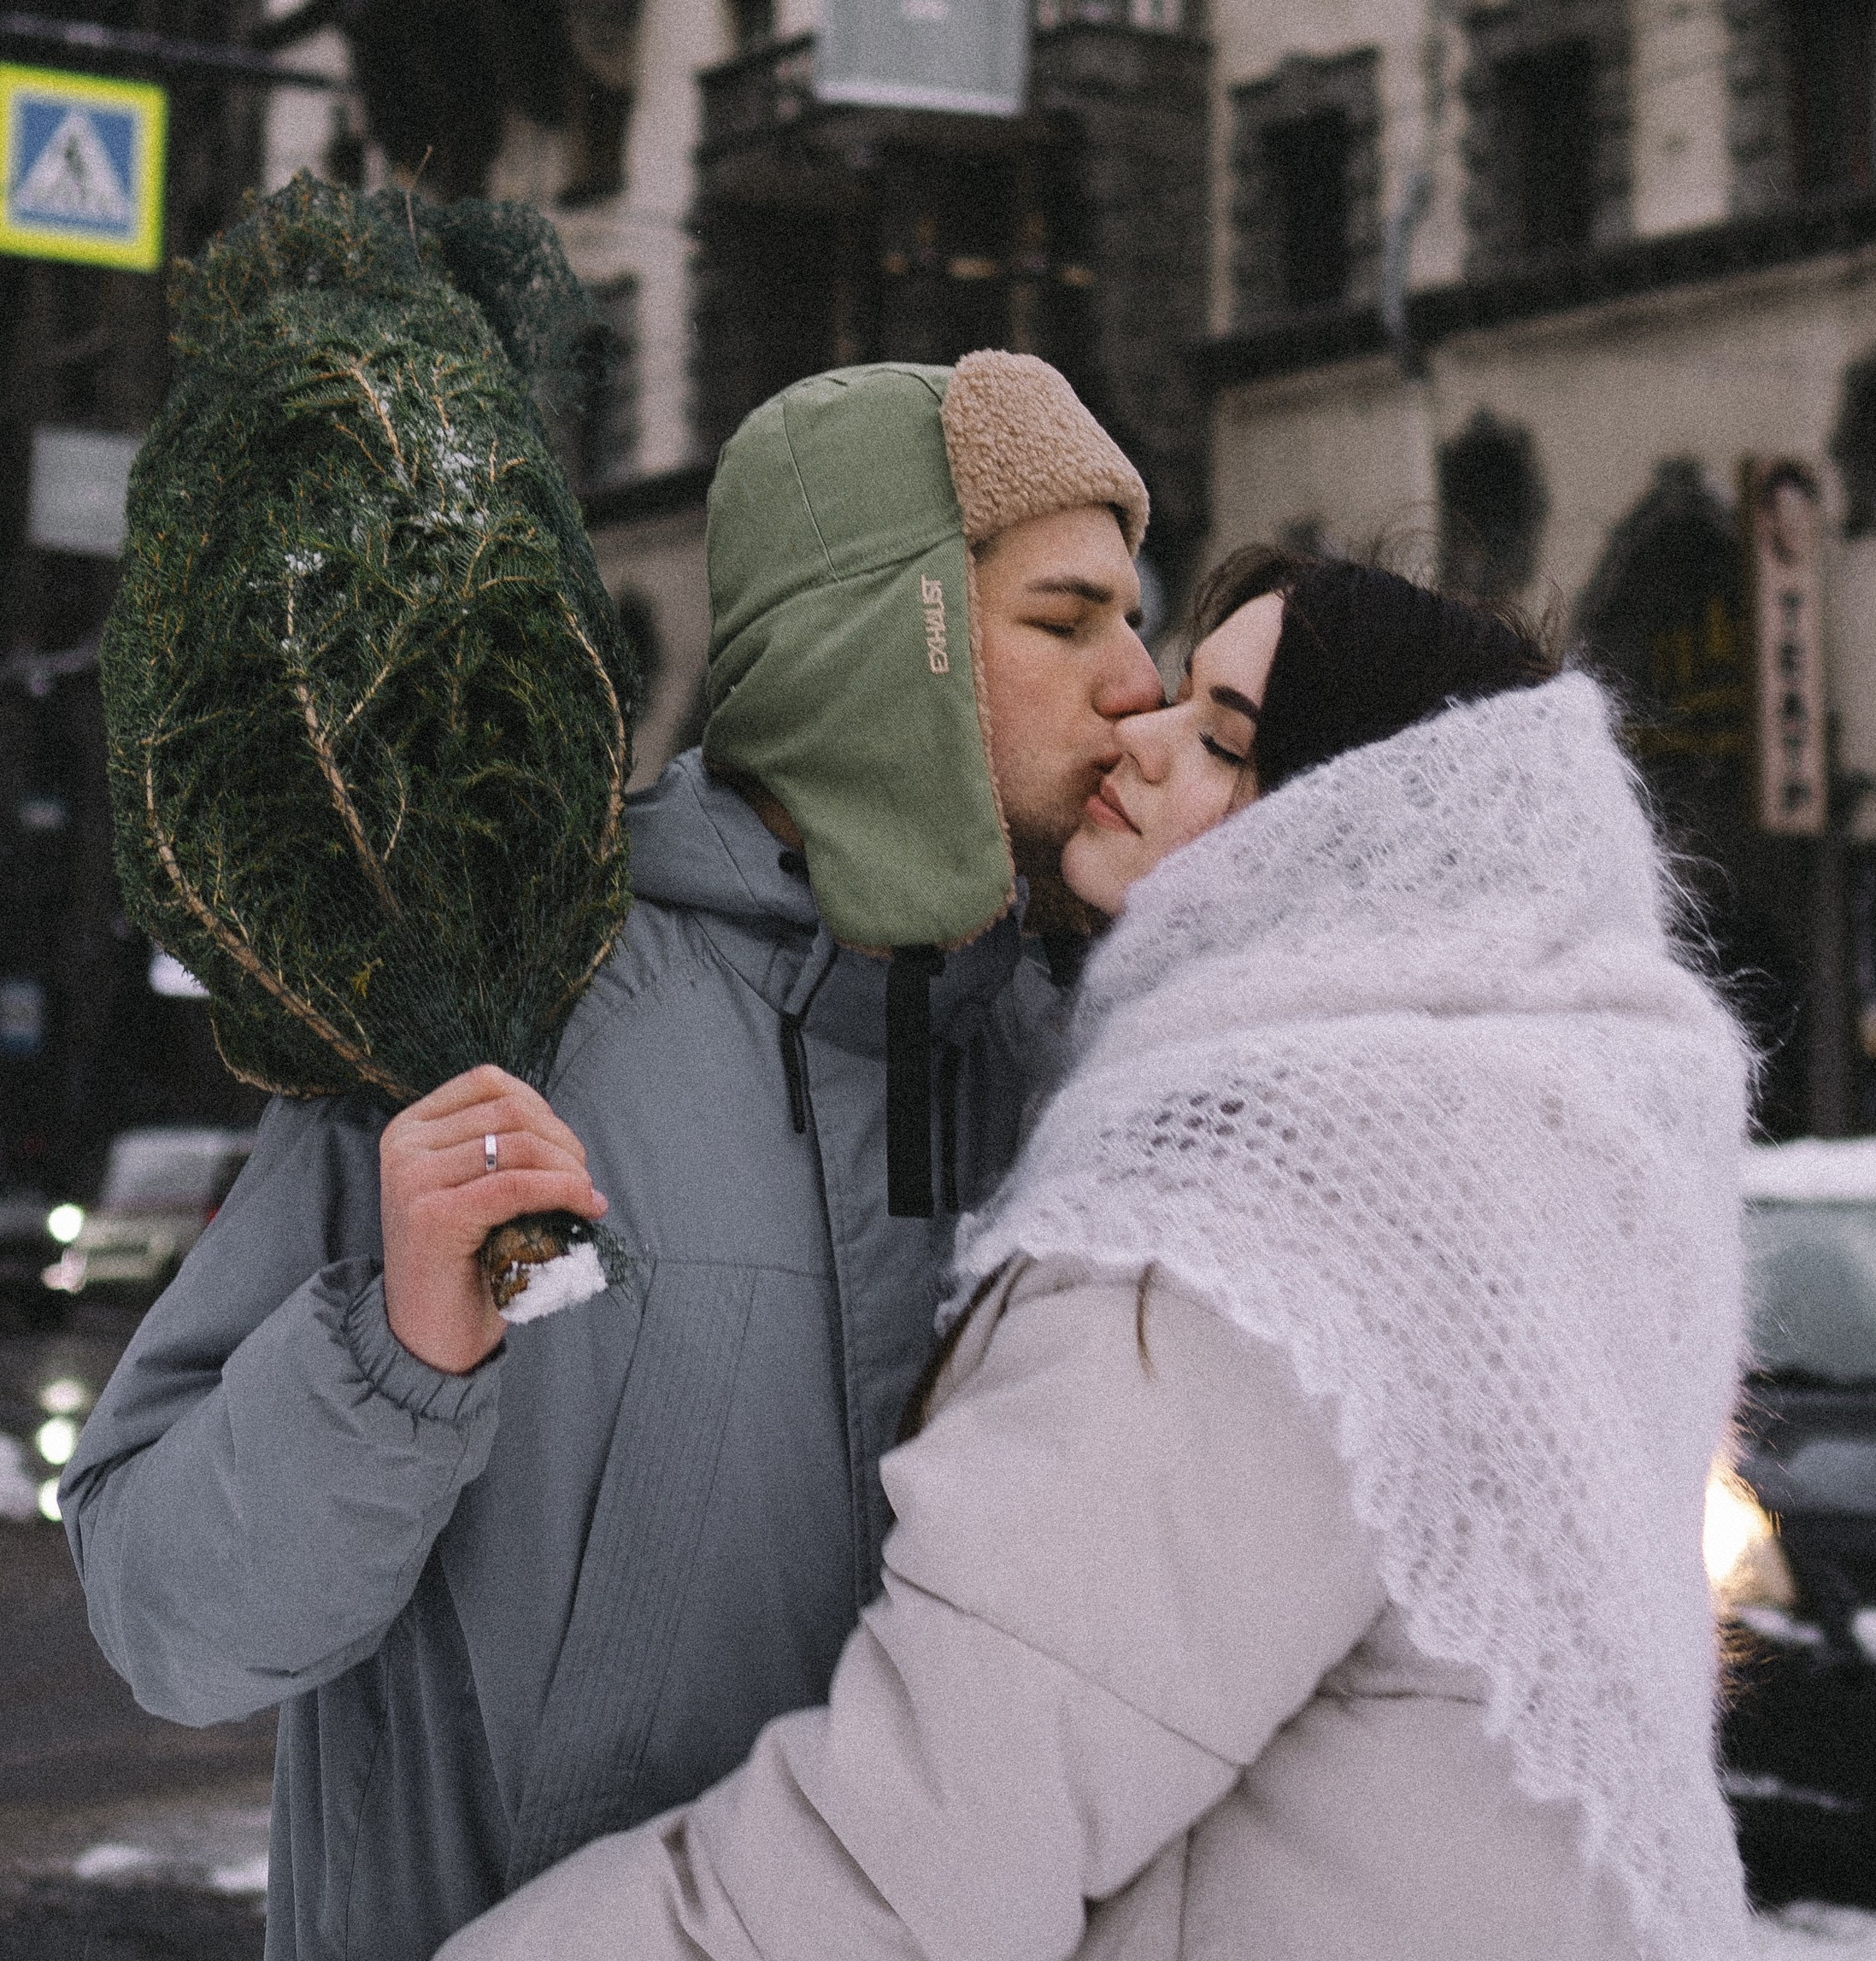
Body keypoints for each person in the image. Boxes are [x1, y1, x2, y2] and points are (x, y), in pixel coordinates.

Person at [439, 549, 1755, 1961]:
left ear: (1339, 837)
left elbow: (923, 1847)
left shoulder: (1262, 1221)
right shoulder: (1512, 1152)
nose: (1137, 730)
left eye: (1222, 741)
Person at [63, 353, 1160, 1961]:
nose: (1142, 677)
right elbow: (173, 1628)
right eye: (1067, 622)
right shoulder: (497, 1002)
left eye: (1137, 616)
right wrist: (396, 1367)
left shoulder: (1088, 1068)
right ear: (889, 646)